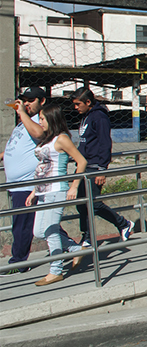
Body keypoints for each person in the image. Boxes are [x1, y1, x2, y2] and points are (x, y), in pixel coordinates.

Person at [26, 103, 87, 286]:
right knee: (38, 231)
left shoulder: (62, 139)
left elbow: (81, 161)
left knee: (51, 230)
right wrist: (34, 191)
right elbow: (42, 169)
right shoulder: (47, 139)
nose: (40, 122)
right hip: (43, 191)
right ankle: (76, 249)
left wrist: (74, 186)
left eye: (43, 119)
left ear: (51, 118)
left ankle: (56, 271)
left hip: (56, 190)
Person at [70, 87, 135, 248]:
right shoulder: (86, 117)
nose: (75, 107)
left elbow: (105, 143)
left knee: (93, 203)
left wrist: (102, 168)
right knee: (81, 203)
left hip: (94, 166)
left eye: (78, 104)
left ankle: (123, 223)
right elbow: (86, 142)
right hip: (84, 166)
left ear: (88, 102)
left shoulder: (99, 117)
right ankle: (87, 235)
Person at [2, 87, 53, 275]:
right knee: (40, 222)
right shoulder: (23, 122)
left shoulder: (37, 121)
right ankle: (70, 247)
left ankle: (18, 262)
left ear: (42, 101)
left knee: (23, 225)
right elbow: (20, 146)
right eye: (24, 100)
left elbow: (40, 135)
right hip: (15, 184)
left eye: (31, 100)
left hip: (26, 184)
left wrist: (23, 113)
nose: (26, 104)